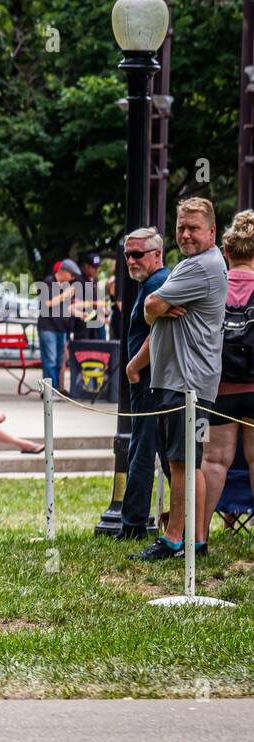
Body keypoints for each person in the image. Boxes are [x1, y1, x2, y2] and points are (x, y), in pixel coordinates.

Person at [130, 197, 228, 561]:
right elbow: (158, 317)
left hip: (185, 383)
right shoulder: (198, 263)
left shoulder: (198, 267)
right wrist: (136, 364)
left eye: (194, 228)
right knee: (190, 461)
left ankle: (174, 540)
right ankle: (197, 539)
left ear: (212, 231)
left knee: (181, 463)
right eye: (181, 228)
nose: (186, 235)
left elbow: (149, 308)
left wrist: (156, 306)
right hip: (189, 380)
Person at [200, 210, 254, 544]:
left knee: (214, 461)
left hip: (218, 387)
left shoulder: (213, 284)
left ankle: (199, 538)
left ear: (227, 252)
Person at [120, 227, 171, 540]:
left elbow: (159, 335)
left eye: (137, 254)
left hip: (150, 382)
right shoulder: (153, 283)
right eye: (127, 254)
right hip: (154, 382)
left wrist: (132, 366)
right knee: (167, 454)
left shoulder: (159, 282)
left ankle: (133, 525)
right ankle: (185, 523)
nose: (130, 260)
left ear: (156, 254)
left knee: (142, 448)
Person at [37, 259, 82, 392]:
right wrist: (65, 295)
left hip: (61, 329)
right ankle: (49, 392)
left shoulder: (65, 287)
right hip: (48, 328)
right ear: (63, 271)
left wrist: (79, 313)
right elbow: (47, 304)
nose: (72, 278)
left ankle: (55, 390)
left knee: (58, 362)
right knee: (50, 361)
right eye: (72, 275)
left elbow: (67, 308)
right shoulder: (48, 282)